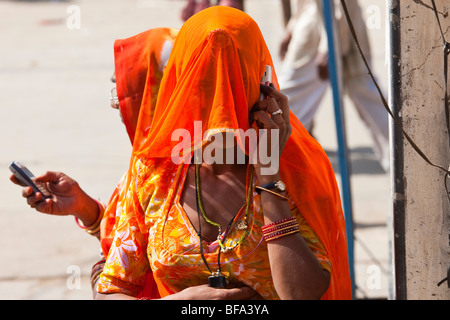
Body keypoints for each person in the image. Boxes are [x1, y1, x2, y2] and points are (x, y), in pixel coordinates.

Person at [96, 6, 351, 300]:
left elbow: (301, 295)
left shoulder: (297, 170)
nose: (222, 101)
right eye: (205, 82)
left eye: (234, 82)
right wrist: (187, 303)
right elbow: (111, 291)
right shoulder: (154, 171)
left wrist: (269, 179)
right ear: (179, 84)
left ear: (263, 85)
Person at [278, 0, 390, 171]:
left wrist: (326, 45)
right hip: (318, 23)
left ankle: (406, 161)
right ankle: (284, 164)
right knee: (289, 104)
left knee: (287, 103)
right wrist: (293, 25)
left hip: (331, 26)